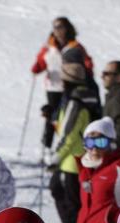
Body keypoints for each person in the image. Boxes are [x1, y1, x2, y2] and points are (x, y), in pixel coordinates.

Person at [47, 54, 98, 223]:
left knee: (70, 202)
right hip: (78, 160)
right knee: (74, 202)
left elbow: (68, 134)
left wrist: (56, 157)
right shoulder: (85, 98)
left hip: (71, 162)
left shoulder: (74, 102)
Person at [31, 17, 92, 149]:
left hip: (70, 85)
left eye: (60, 27)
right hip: (53, 86)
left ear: (67, 28)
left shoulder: (76, 47)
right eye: (55, 27)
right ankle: (47, 146)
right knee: (51, 116)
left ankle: (63, 145)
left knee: (66, 116)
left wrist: (87, 74)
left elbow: (87, 63)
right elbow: (41, 62)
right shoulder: (48, 47)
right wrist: (37, 68)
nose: (57, 30)